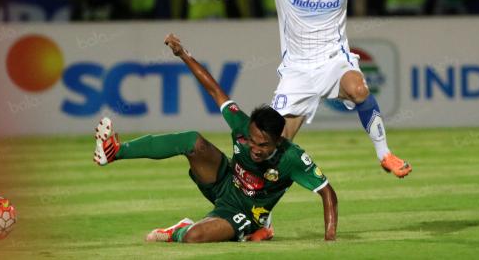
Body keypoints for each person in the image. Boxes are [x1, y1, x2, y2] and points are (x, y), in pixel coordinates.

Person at [236, 0, 446, 177]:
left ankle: (385, 154)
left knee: (359, 89)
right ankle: (261, 213)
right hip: (297, 70)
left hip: (334, 60)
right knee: (274, 148)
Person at [92, 33, 338, 243]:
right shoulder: (242, 125)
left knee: (193, 238)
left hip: (246, 214)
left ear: (278, 141)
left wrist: (330, 239)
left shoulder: (292, 157)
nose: (254, 148)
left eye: (263, 145)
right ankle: (116, 151)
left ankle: (180, 230)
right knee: (192, 141)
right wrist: (183, 54)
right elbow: (214, 90)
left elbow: (327, 193)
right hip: (224, 182)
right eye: (252, 141)